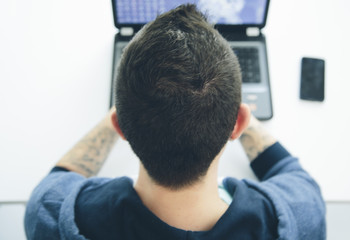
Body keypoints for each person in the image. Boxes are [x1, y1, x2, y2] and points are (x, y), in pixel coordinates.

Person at [24, 4, 326, 240]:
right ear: (239, 123)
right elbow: (291, 174)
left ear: (121, 127)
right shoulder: (299, 219)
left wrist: (125, 110)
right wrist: (230, 110)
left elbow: (56, 182)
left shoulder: (51, 217)